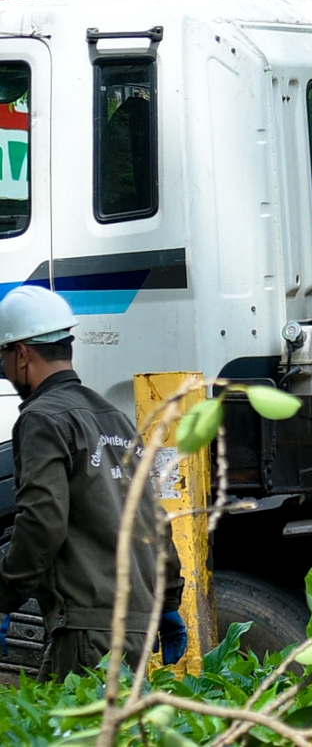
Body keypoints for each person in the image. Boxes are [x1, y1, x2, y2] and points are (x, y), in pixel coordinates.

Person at [0, 285, 180, 676]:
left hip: (87, 630)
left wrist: (4, 595)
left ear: (22, 354)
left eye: (3, 356)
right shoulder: (113, 417)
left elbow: (42, 521)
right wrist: (167, 601)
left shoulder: (42, 419)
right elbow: (154, 518)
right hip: (134, 625)